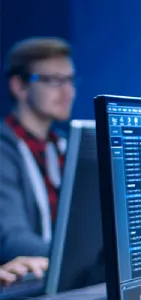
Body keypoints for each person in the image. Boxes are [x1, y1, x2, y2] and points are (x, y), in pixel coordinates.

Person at [0, 37, 76, 264]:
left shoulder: (65, 147)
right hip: (28, 286)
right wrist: (75, 260)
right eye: (54, 81)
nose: (68, 92)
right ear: (19, 86)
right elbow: (12, 240)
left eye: (70, 80)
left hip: (63, 280)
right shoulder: (5, 149)